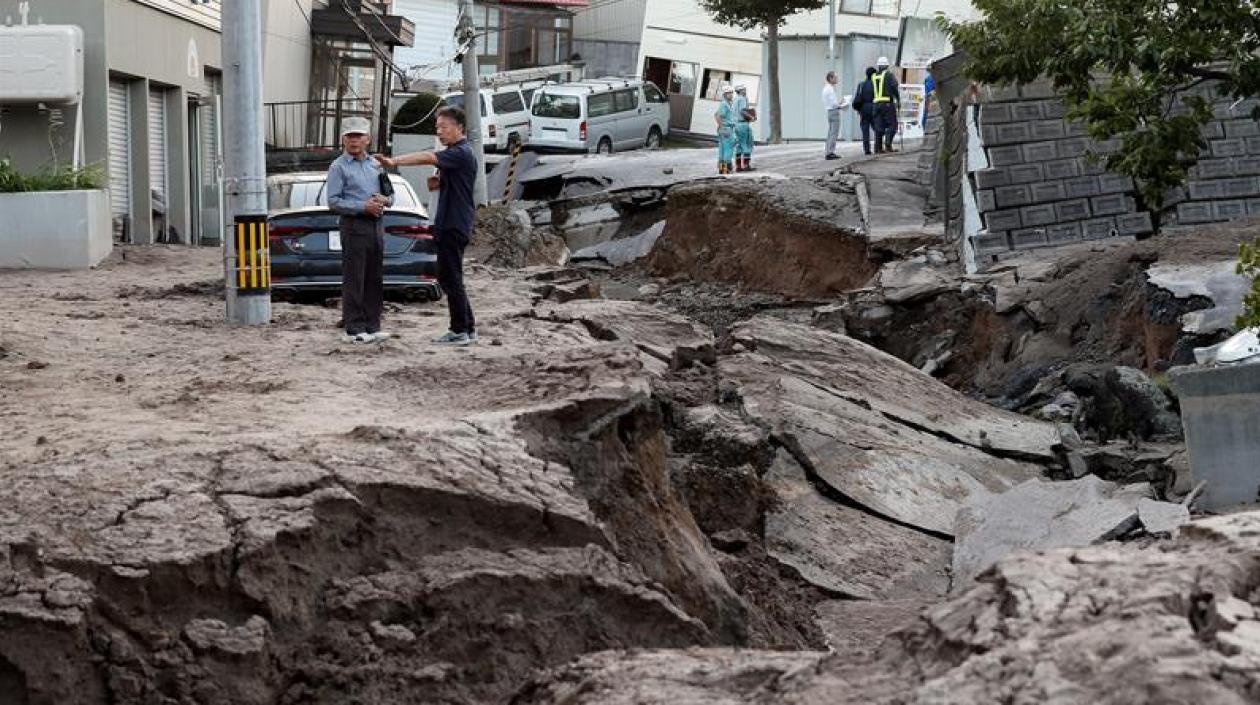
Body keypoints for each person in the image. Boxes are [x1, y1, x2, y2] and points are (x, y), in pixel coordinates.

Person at [375, 106, 478, 346]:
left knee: (450, 278)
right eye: (437, 128)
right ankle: (467, 328)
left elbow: (428, 156)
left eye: (444, 127)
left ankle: (459, 330)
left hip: (453, 223)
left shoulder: (461, 152)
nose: (439, 132)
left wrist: (393, 161)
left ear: (459, 127)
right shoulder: (457, 153)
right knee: (452, 277)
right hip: (450, 221)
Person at [327, 116, 391, 344]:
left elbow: (390, 195)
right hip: (354, 225)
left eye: (358, 136)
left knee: (375, 276)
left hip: (376, 224)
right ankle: (354, 327)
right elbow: (333, 201)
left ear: (368, 139)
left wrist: (384, 200)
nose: (354, 141)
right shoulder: (338, 167)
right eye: (349, 136)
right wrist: (363, 206)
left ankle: (372, 325)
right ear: (343, 139)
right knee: (355, 277)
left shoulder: (376, 164)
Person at [872, 56, 901, 154]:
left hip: (876, 104)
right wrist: (898, 99)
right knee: (892, 125)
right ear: (887, 66)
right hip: (887, 103)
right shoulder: (889, 75)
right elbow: (894, 86)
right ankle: (888, 144)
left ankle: (878, 148)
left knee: (879, 127)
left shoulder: (874, 76)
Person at [714, 84, 739, 174]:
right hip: (727, 128)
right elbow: (718, 116)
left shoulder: (726, 104)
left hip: (725, 128)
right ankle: (725, 170)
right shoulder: (724, 104)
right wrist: (723, 127)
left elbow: (716, 115)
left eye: (732, 93)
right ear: (725, 94)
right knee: (728, 149)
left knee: (723, 150)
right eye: (730, 93)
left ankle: (722, 169)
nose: (732, 95)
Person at [852, 67, 877, 156]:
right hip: (873, 107)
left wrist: (859, 109)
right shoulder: (876, 84)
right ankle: (877, 147)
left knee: (865, 130)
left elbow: (858, 97)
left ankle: (867, 150)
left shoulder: (861, 84)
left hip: (863, 109)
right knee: (877, 129)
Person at [734, 84, 756, 172]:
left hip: (736, 124)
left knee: (739, 145)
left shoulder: (735, 99)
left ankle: (738, 166)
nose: (745, 91)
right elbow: (742, 111)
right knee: (747, 144)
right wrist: (751, 117)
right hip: (743, 124)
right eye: (744, 89)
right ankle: (746, 165)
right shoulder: (742, 98)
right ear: (740, 91)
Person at [821, 71, 842, 160]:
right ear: (830, 78)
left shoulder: (825, 88)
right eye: (835, 77)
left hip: (829, 111)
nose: (837, 79)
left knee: (830, 133)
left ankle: (828, 151)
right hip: (834, 111)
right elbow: (834, 103)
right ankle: (830, 152)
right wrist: (841, 104)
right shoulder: (830, 89)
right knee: (834, 133)